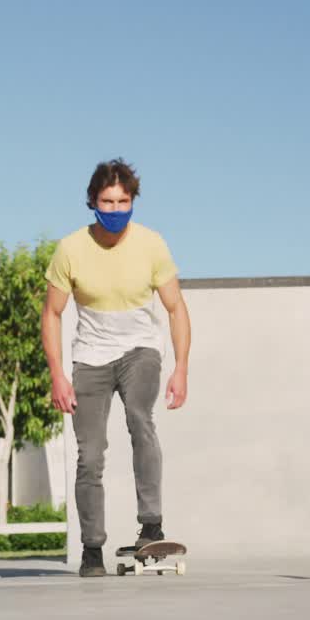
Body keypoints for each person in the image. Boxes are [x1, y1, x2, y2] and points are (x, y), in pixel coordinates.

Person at [40, 158, 191, 578]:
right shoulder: (70, 249)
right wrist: (58, 374)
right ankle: (92, 550)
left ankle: (151, 524)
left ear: (133, 201)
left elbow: (176, 309)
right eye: (107, 201)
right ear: (92, 201)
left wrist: (180, 368)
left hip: (140, 349)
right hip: (90, 356)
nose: (116, 208)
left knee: (140, 419)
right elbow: (51, 314)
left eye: (123, 201)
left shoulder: (151, 244)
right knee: (89, 455)